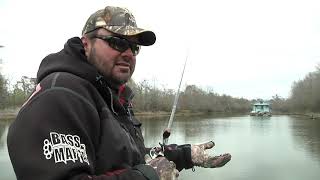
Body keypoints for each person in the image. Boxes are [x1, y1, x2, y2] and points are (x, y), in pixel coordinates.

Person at [7, 6, 231, 180]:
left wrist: (183, 155)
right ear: (86, 44)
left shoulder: (112, 97)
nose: (128, 54)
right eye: (117, 42)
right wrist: (148, 176)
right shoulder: (61, 95)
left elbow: (126, 157)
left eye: (134, 48)